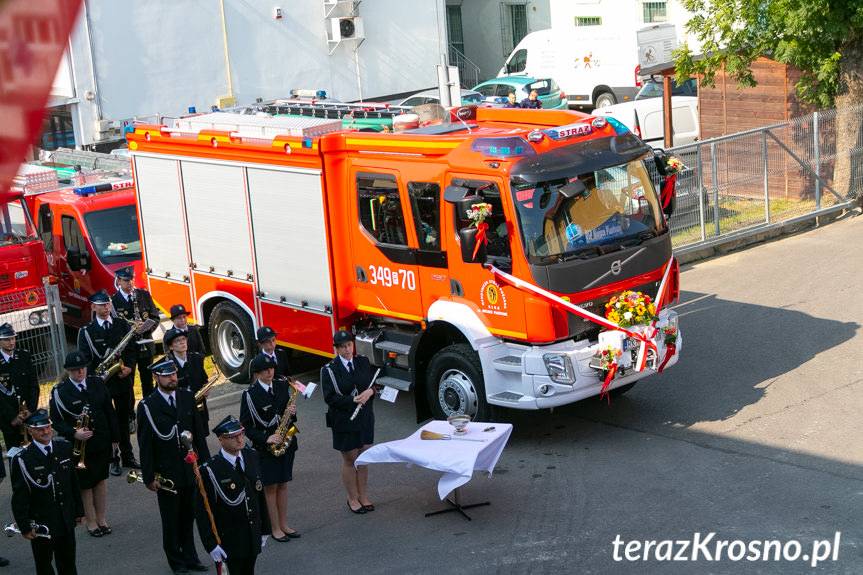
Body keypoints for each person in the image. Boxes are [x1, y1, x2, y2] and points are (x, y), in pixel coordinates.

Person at [136, 359, 210, 574]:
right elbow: (145, 444)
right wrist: (150, 476)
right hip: (167, 471)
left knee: (189, 516)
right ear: (156, 377)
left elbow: (198, 435)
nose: (172, 378)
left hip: (190, 469)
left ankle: (191, 557)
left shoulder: (186, 397)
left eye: (174, 374)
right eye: (167, 375)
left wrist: (205, 465)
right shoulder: (148, 406)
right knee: (171, 520)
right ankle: (176, 561)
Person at [49, 351, 119, 538]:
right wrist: (74, 433)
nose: (80, 372)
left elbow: (109, 411)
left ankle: (102, 518)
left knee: (101, 480)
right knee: (86, 484)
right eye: (75, 370)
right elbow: (56, 420)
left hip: (101, 440)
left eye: (82, 368)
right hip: (80, 447)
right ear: (68, 371)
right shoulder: (60, 391)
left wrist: (115, 438)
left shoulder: (96, 383)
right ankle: (91, 521)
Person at [10, 409, 85, 575]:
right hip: (42, 522)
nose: (45, 432)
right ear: (30, 430)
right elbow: (20, 496)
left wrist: (79, 511)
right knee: (44, 565)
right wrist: (24, 526)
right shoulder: (23, 459)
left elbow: (73, 482)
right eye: (39, 429)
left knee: (68, 562)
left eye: (47, 427)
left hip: (65, 518)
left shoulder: (64, 447)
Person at [195, 415, 270, 575]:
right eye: (233, 437)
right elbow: (203, 512)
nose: (239, 439)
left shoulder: (252, 456)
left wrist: (265, 528)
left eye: (241, 434)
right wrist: (211, 544)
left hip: (251, 535)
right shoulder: (210, 470)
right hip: (229, 540)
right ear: (221, 440)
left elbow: (259, 495)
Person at [77, 291, 139, 475]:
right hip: (101, 384)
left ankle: (128, 455)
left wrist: (128, 367)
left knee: (123, 419)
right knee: (106, 422)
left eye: (107, 304)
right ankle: (113, 459)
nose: (105, 308)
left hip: (121, 380)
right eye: (101, 305)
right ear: (93, 307)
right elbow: (85, 359)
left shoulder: (121, 325)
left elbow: (132, 350)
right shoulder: (86, 332)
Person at [239, 354, 298, 542]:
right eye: (265, 370)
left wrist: (292, 413)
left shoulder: (281, 385)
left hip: (285, 443)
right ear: (257, 374)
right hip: (266, 447)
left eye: (272, 368)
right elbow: (246, 426)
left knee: (283, 484)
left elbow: (289, 415)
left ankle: (284, 523)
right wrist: (266, 438)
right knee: (270, 488)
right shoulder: (249, 395)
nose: (270, 372)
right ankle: (274, 528)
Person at [320, 330, 376, 514]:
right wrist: (352, 401)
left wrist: (371, 392)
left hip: (365, 417)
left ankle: (363, 495)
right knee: (351, 459)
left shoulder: (362, 362)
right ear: (336, 349)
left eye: (349, 345)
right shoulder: (329, 370)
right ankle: (352, 498)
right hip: (344, 419)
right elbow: (330, 397)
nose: (347, 350)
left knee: (364, 457)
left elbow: (371, 385)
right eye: (343, 347)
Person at [111, 267, 159, 429]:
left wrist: (146, 329)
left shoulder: (143, 295)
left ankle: (149, 413)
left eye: (131, 279)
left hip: (145, 344)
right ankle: (130, 416)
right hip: (128, 350)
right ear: (118, 281)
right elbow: (115, 326)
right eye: (126, 280)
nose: (129, 283)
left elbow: (154, 316)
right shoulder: (114, 301)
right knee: (128, 385)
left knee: (148, 382)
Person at [164, 328, 210, 438]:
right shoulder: (168, 366)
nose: (182, 342)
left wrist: (206, 388)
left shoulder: (196, 358)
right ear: (171, 347)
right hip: (180, 411)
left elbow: (204, 379)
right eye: (177, 341)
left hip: (199, 408)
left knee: (202, 439)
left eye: (184, 339)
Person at [0, 323, 38, 451]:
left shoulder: (24, 356)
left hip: (28, 416)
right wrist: (12, 417)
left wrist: (31, 410)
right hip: (9, 420)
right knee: (15, 455)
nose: (11, 342)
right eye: (7, 339)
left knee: (34, 454)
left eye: (13, 338)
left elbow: (34, 385)